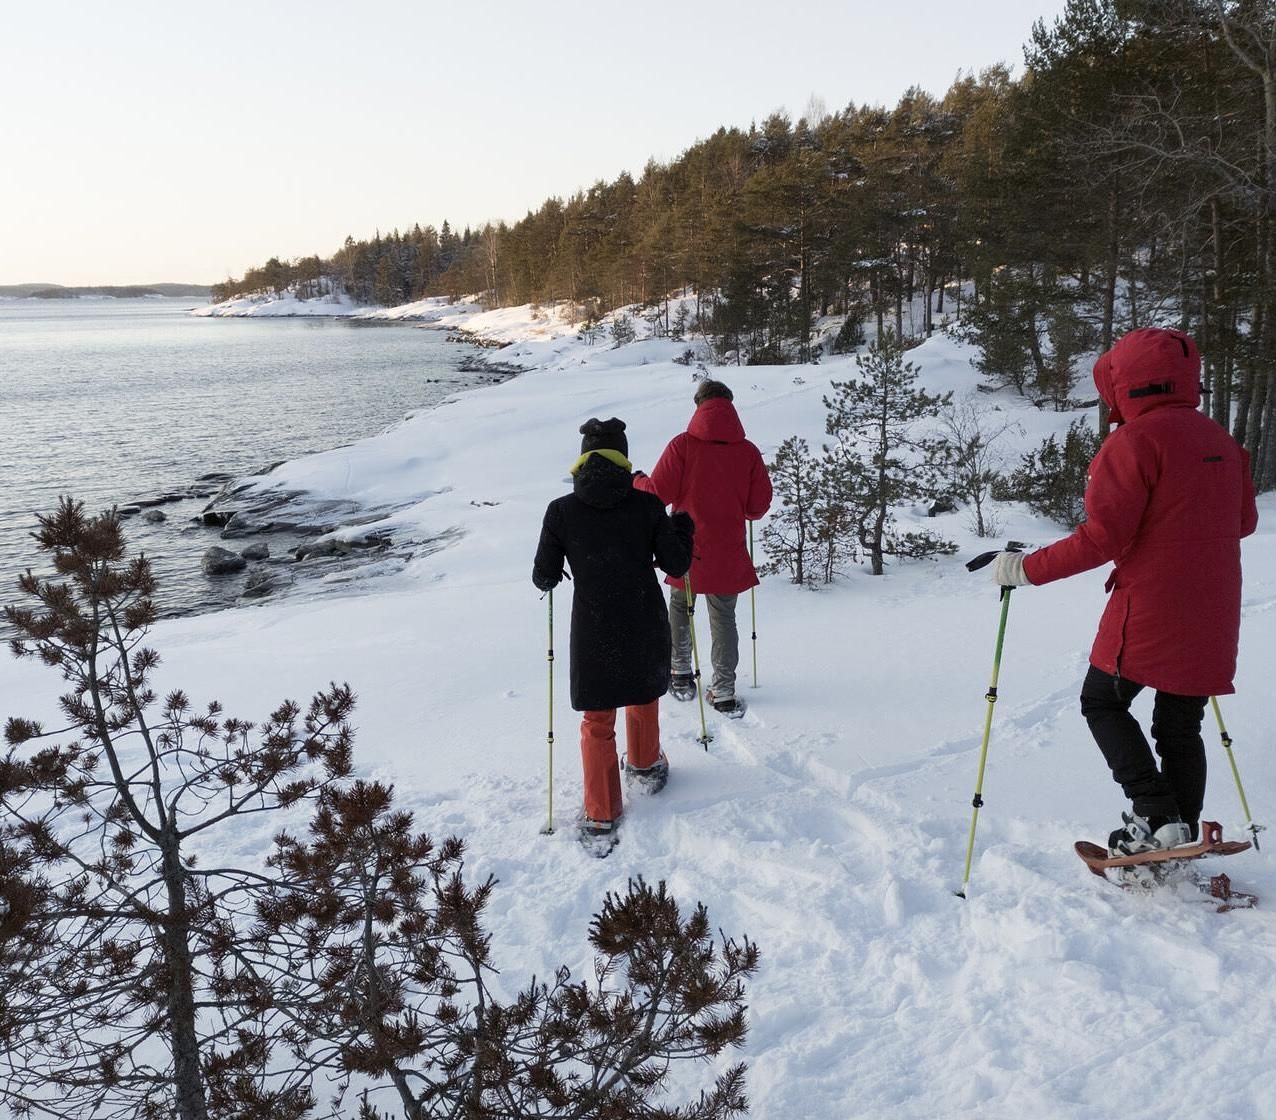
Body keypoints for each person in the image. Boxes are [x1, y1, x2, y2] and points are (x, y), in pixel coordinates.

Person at [989, 328, 1258, 855]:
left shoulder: (1134, 441)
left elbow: (1102, 537)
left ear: (1123, 382)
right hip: (1216, 606)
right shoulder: (1222, 441)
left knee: (1101, 702)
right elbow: (1244, 522)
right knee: (1181, 724)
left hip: (1151, 605)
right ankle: (1175, 829)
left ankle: (1156, 814)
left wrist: (1025, 569)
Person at [532, 417, 695, 850]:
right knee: (643, 696)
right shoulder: (646, 505)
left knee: (598, 718)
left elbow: (543, 576)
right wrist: (682, 531)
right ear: (623, 457)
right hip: (642, 617)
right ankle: (644, 765)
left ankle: (602, 813)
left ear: (584, 458)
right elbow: (676, 565)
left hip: (593, 626)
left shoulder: (561, 510)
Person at [634, 380, 772, 718]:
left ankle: (680, 672)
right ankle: (723, 688)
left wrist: (636, 479)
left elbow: (657, 495)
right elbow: (757, 507)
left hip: (685, 546)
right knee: (724, 617)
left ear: (699, 406)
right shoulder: (748, 451)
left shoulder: (683, 445)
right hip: (729, 550)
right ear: (729, 405)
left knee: (681, 607)